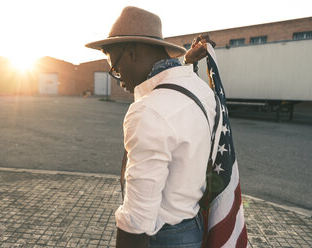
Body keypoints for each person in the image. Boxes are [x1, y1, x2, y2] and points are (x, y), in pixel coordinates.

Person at [86, 6, 219, 248]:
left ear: (132, 53)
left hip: (164, 239)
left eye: (114, 67)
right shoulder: (200, 90)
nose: (118, 76)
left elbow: (137, 219)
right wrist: (187, 61)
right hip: (194, 227)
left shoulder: (149, 109)